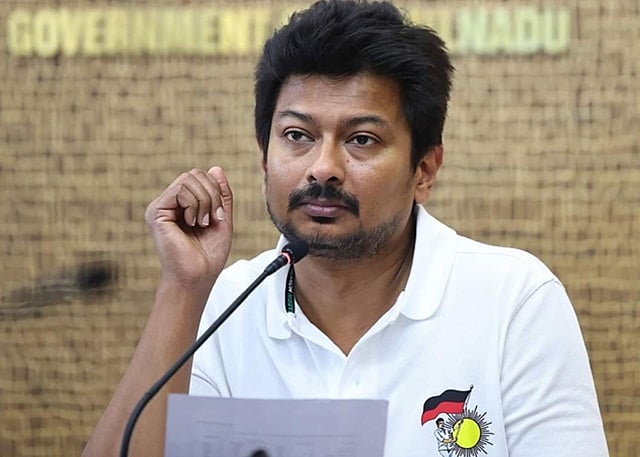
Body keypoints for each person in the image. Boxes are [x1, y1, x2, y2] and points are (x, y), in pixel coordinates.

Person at [82, 1, 609, 456]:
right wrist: (184, 288)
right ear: (264, 159)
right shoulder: (225, 302)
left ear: (424, 171)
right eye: (297, 135)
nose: (323, 168)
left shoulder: (513, 300)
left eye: (361, 140)